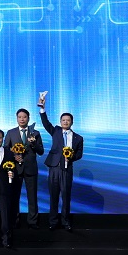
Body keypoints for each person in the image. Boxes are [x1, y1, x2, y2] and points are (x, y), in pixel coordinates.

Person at [38, 92, 84, 231]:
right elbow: (46, 123)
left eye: (68, 120)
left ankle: (65, 222)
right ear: (60, 121)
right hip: (54, 168)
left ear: (72, 122)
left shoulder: (78, 138)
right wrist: (42, 108)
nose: (65, 122)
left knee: (66, 196)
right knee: (53, 196)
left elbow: (79, 154)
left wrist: (71, 157)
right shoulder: (56, 131)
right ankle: (53, 222)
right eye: (63, 120)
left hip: (67, 169)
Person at [4, 108, 44, 229]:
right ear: (17, 118)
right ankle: (14, 220)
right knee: (14, 196)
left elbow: (41, 151)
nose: (22, 119)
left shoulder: (35, 133)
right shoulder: (11, 132)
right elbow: (5, 150)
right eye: (20, 117)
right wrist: (14, 156)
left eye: (24, 117)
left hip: (30, 169)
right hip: (15, 169)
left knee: (32, 197)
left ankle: (32, 221)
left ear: (28, 118)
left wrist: (34, 143)